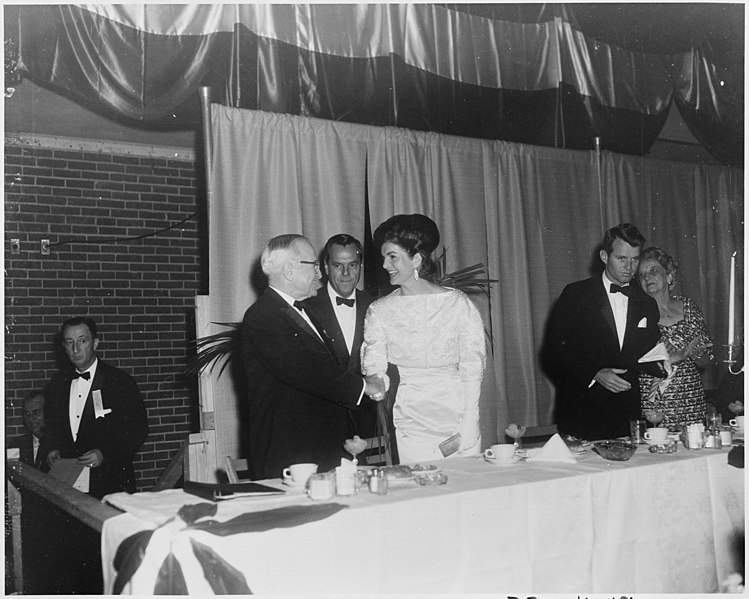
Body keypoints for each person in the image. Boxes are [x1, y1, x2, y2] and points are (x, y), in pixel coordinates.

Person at [241, 234, 385, 479]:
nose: (319, 274)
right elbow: (309, 371)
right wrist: (366, 387)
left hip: (322, 448)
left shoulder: (303, 310)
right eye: (313, 265)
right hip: (292, 453)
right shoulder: (263, 316)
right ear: (288, 270)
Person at [361, 214, 486, 462]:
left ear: (416, 259)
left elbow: (473, 366)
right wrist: (377, 384)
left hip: (459, 415)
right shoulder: (380, 310)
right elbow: (374, 362)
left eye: (393, 256)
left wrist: (470, 419)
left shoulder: (458, 303)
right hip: (412, 420)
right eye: (384, 257)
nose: (385, 265)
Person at [545, 223, 665, 440]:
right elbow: (554, 353)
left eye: (635, 259)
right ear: (604, 256)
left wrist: (664, 362)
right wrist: (594, 373)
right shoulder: (576, 295)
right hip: (582, 411)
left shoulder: (646, 303)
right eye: (621, 259)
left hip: (628, 417)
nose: (629, 267)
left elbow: (647, 354)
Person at [45, 316, 148, 499]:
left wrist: (104, 454)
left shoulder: (120, 381)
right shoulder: (56, 384)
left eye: (82, 341)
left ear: (95, 343)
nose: (76, 349)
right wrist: (52, 448)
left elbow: (138, 430)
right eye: (70, 342)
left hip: (110, 482)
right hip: (68, 482)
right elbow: (53, 427)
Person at [305, 234, 378, 439]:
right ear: (326, 267)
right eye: (338, 266)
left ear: (361, 266)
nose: (346, 273)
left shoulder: (376, 306)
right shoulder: (306, 307)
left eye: (353, 265)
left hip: (367, 425)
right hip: (320, 425)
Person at [637, 247, 714, 427]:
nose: (647, 277)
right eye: (641, 275)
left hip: (691, 400)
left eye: (653, 271)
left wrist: (698, 355)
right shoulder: (636, 315)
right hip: (655, 403)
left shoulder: (688, 307)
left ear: (669, 276)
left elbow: (706, 360)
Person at [6, 391, 50, 472]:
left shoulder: (59, 444)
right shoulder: (16, 445)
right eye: (27, 414)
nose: (31, 419)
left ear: (48, 413)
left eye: (36, 412)